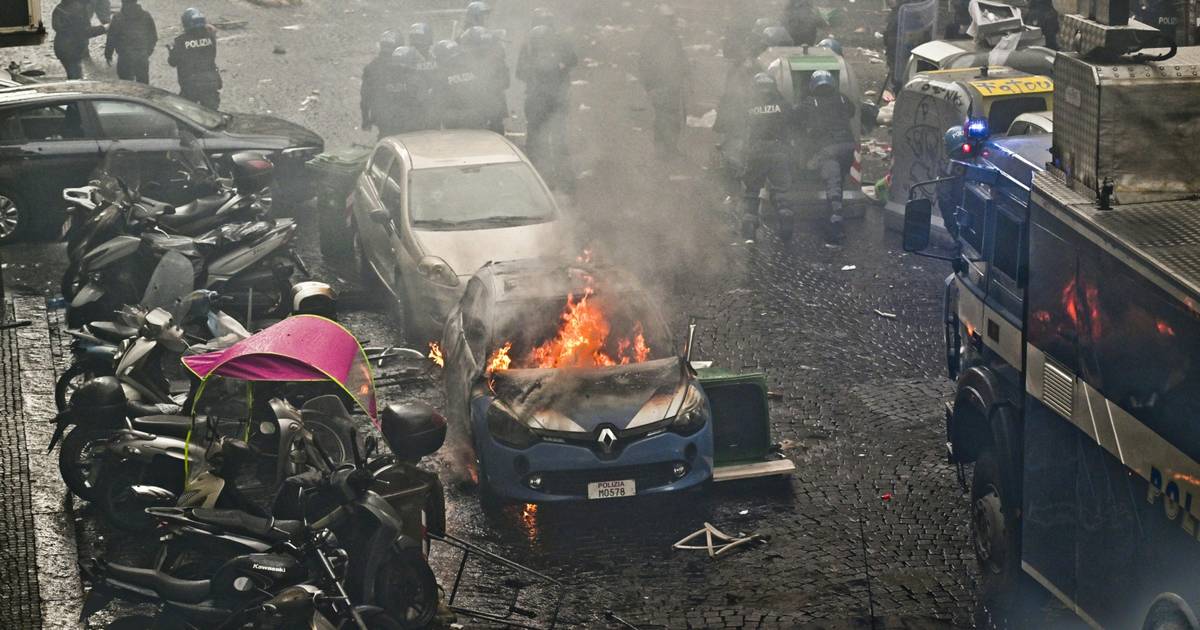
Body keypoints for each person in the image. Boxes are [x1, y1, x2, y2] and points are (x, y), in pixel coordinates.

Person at [516, 23, 577, 191]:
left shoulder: (559, 47)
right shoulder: (528, 52)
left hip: (555, 100)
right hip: (538, 101)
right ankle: (540, 176)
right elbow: (519, 73)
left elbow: (572, 60)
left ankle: (564, 179)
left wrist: (557, 66)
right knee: (536, 138)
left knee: (558, 138)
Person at [738, 73, 797, 242]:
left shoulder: (748, 106)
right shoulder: (782, 105)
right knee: (780, 191)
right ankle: (785, 217)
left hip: (756, 151)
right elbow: (794, 120)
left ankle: (749, 226)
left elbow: (739, 128)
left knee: (752, 191)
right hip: (779, 151)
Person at [800, 70, 856, 244]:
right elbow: (852, 112)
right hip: (848, 147)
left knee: (831, 178)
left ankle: (835, 219)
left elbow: (794, 118)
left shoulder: (810, 103)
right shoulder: (842, 98)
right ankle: (835, 215)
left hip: (829, 150)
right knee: (835, 173)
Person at [638, 5, 689, 159]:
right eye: (669, 18)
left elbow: (678, 58)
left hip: (668, 83)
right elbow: (647, 63)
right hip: (662, 84)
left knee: (664, 116)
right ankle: (668, 149)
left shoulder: (665, 36)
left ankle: (663, 149)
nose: (671, 21)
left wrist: (684, 72)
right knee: (668, 116)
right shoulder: (659, 37)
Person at [373, 46, 435, 137]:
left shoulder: (382, 79)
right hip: (413, 133)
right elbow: (425, 104)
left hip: (388, 132)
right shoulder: (415, 80)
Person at [167, 8, 221, 109]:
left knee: (186, 112)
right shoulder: (210, 37)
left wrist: (171, 50)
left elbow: (172, 62)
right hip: (211, 81)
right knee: (212, 114)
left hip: (190, 84)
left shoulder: (180, 41)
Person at [461, 26, 510, 134]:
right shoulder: (466, 61)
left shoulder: (496, 60)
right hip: (477, 108)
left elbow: (505, 81)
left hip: (492, 106)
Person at [434, 39, 491, 129]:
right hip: (476, 116)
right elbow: (485, 91)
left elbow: (438, 100)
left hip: (454, 119)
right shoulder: (474, 68)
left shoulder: (441, 74)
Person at [104, 0, 156, 84]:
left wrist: (108, 54)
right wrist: (147, 52)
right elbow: (153, 37)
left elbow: (111, 39)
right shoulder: (146, 16)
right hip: (141, 56)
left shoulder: (118, 18)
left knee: (126, 85)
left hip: (125, 58)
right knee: (143, 85)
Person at [52, 0, 106, 80]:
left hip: (61, 46)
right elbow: (84, 32)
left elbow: (56, 26)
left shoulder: (60, 7)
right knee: (75, 77)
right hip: (72, 49)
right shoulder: (77, 10)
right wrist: (104, 28)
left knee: (73, 73)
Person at [361, 30, 402, 133]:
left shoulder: (371, 67)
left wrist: (365, 119)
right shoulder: (406, 65)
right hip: (405, 117)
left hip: (382, 117)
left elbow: (365, 96)